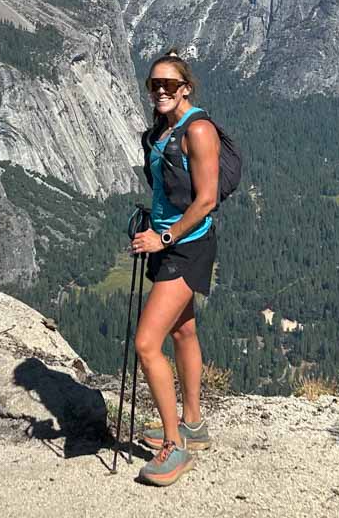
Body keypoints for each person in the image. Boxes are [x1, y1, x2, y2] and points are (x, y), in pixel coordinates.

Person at [129, 48, 219, 487]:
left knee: (147, 343)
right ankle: (194, 425)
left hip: (187, 247)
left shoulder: (197, 130)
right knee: (183, 331)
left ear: (185, 88)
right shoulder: (164, 129)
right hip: (170, 242)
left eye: (169, 84)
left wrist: (163, 237)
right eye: (154, 84)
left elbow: (206, 199)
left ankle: (173, 446)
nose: (160, 90)